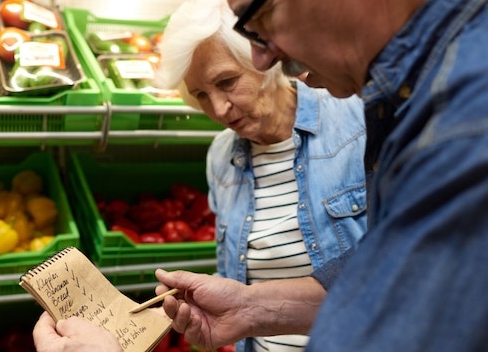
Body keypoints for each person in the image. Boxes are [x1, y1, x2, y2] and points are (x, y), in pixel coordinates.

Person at [33, 0, 488, 348]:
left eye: (259, 17)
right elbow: (382, 268)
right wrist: (254, 307)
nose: (265, 55)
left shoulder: (434, 117)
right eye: (201, 95)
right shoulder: (222, 159)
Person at [154, 0, 367, 350]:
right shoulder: (221, 157)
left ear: (264, 60)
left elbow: (404, 266)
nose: (219, 109)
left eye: (227, 82)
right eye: (201, 96)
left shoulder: (356, 123)